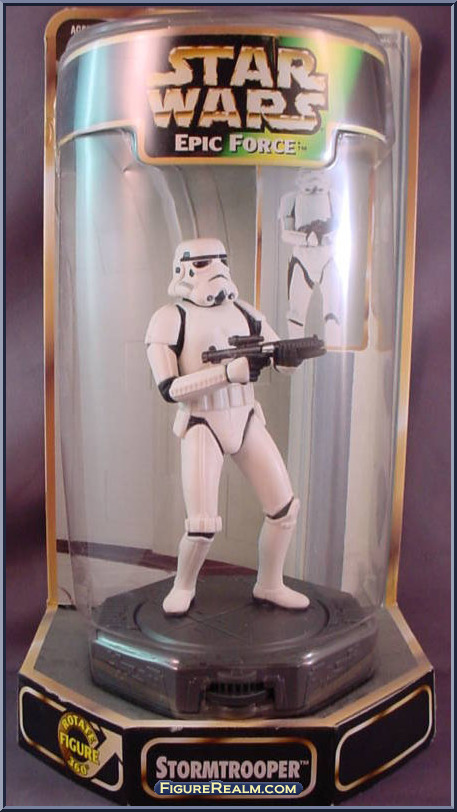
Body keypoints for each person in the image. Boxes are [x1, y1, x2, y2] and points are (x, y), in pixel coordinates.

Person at [145, 237, 310, 615]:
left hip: (245, 416)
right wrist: (225, 373)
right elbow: (170, 389)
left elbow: (276, 356)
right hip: (202, 422)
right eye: (204, 263)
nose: (215, 269)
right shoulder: (170, 318)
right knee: (202, 525)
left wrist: (289, 359)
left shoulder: (245, 311)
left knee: (284, 509)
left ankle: (270, 584)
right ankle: (183, 585)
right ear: (184, 269)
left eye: (220, 259)